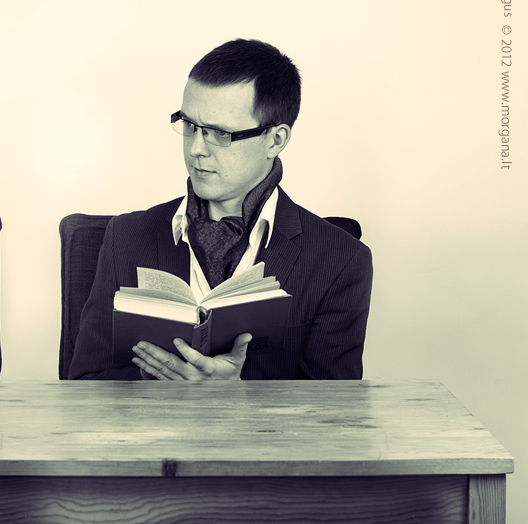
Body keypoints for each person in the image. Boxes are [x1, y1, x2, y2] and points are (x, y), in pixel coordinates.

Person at [68, 39, 373, 381]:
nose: (196, 149)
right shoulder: (126, 237)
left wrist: (235, 397)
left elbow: (333, 409)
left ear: (275, 140)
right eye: (190, 126)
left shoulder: (340, 260)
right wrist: (161, 385)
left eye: (220, 133)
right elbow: (83, 385)